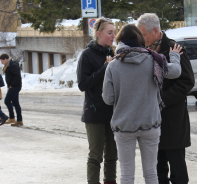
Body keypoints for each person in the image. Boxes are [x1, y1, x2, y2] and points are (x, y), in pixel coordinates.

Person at [102, 24, 182, 184]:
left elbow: (108, 99)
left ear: (120, 42)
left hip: (124, 126)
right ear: (139, 39)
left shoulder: (113, 66)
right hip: (150, 124)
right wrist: (174, 56)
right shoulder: (154, 60)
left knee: (126, 175)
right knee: (151, 173)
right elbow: (176, 72)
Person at [137, 13, 195, 184]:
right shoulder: (144, 50)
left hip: (173, 120)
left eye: (144, 34)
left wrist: (161, 99)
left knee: (178, 171)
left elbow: (187, 82)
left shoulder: (174, 49)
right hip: (151, 122)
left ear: (155, 30)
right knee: (157, 171)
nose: (142, 38)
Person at [77, 17, 117, 184]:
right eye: (110, 33)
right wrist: (105, 68)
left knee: (112, 155)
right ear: (99, 34)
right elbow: (83, 84)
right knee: (95, 155)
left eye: (114, 32)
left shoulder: (113, 53)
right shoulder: (87, 55)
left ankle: (110, 181)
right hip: (94, 113)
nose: (113, 36)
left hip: (113, 112)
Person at [0, 53, 23, 127]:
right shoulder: (9, 65)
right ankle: (18, 120)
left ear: (5, 59)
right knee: (15, 102)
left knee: (7, 101)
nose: (1, 63)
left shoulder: (12, 64)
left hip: (15, 86)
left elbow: (17, 75)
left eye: (2, 61)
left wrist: (12, 85)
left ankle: (13, 118)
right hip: (13, 86)